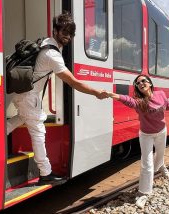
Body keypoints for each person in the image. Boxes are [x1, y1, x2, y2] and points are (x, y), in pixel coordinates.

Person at [7, 12, 107, 185]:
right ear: (55, 31)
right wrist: (96, 93)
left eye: (70, 33)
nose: (67, 36)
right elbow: (73, 82)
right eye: (64, 32)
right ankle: (45, 173)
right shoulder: (52, 54)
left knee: (21, 118)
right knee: (38, 131)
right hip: (28, 97)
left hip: (26, 95)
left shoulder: (46, 42)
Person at [106, 74, 169, 208]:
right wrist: (113, 95)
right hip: (146, 135)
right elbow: (128, 100)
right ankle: (144, 193)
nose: (140, 84)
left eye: (143, 81)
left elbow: (167, 104)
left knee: (160, 154)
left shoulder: (161, 94)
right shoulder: (139, 102)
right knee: (147, 163)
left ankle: (162, 166)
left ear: (150, 83)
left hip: (161, 131)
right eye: (137, 83)